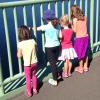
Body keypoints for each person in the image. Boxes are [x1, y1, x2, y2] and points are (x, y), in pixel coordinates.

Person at [33, 9, 60, 86]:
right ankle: (57, 74)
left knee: (52, 64)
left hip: (49, 48)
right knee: (55, 62)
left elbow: (37, 28)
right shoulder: (58, 25)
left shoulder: (46, 26)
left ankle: (55, 80)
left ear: (46, 19)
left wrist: (29, 28)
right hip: (57, 46)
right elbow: (60, 35)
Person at [17, 25, 38, 97]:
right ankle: (35, 89)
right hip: (34, 62)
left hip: (27, 65)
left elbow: (19, 55)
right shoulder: (33, 41)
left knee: (28, 78)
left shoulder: (20, 44)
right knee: (34, 75)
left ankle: (29, 92)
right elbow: (36, 50)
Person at [71, 5, 89, 73]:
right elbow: (84, 26)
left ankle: (80, 68)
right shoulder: (84, 17)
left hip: (79, 38)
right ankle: (85, 67)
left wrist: (71, 25)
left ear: (73, 12)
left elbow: (75, 30)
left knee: (80, 53)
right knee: (85, 52)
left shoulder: (75, 19)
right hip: (86, 37)